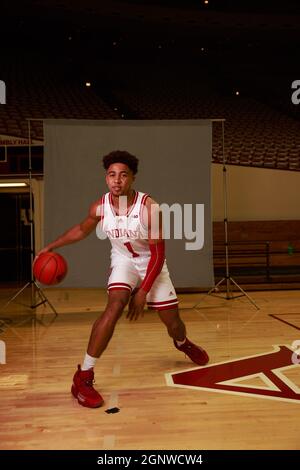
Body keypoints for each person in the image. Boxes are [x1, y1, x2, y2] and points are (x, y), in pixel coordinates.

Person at [36, 150, 209, 408]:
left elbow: (158, 255)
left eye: (123, 175)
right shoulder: (99, 207)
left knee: (173, 324)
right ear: (106, 179)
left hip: (151, 264)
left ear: (133, 179)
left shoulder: (150, 208)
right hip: (123, 262)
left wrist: (142, 293)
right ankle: (83, 375)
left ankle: (182, 343)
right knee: (115, 305)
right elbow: (81, 230)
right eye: (111, 175)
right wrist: (52, 246)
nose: (117, 180)